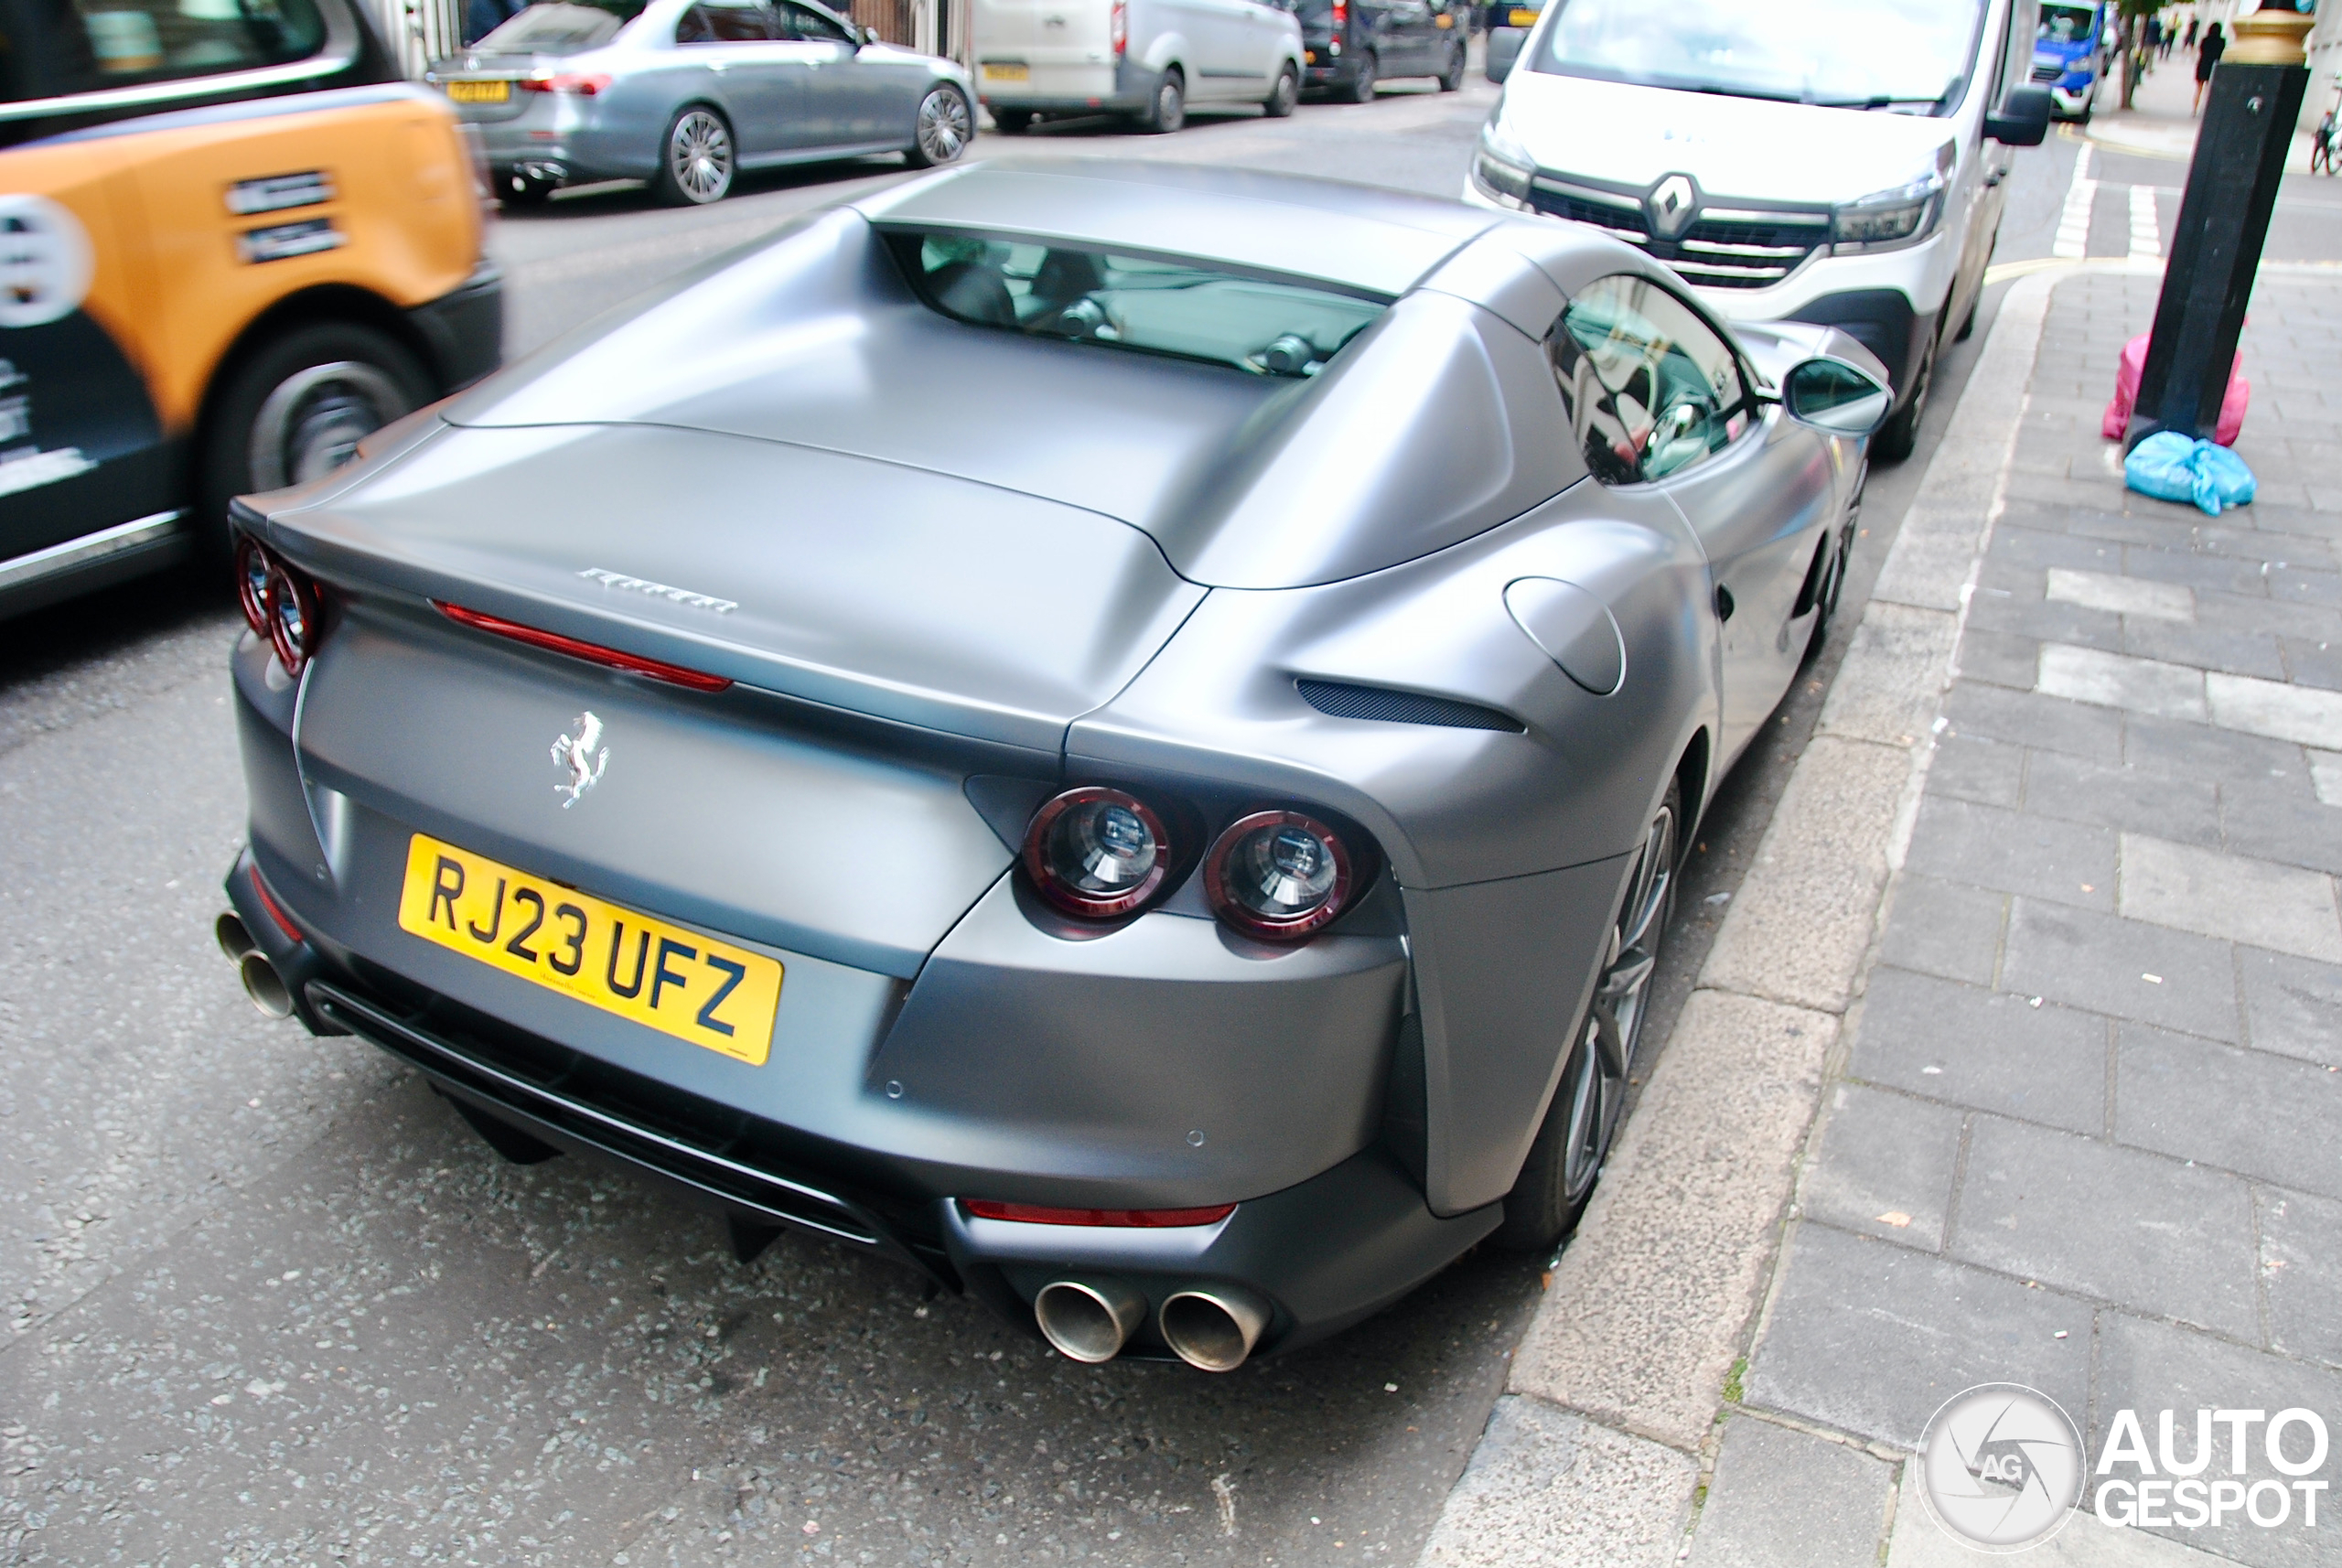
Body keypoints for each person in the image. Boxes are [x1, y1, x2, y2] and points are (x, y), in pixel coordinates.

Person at [2194, 20, 2223, 113]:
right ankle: (2205, 109)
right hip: (2213, 66)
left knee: (2199, 88)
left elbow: (2201, 50)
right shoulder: (2222, 41)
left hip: (2203, 64)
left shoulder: (2205, 40)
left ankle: (2194, 109)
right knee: (2209, 89)